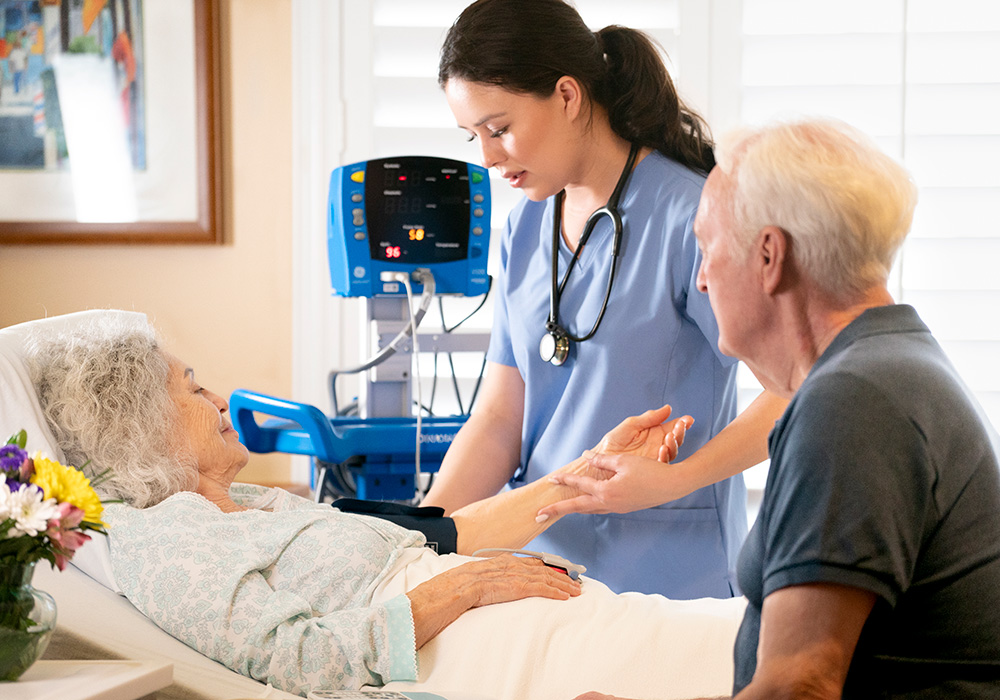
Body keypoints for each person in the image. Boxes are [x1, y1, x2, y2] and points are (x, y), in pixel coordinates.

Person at [24, 313, 746, 699]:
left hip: (539, 620)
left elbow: (450, 530)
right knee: (763, 656)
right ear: (141, 422)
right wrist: (459, 588)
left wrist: (589, 471)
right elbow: (298, 659)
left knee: (751, 640)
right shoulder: (163, 537)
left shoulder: (253, 504)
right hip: (472, 657)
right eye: (191, 388)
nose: (218, 399)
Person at [563, 118, 1000, 700]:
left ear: (771, 255)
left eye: (706, 248)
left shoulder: (854, 403)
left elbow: (801, 687)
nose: (699, 279)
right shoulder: (890, 363)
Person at [424, 0, 787, 598]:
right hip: (540, 572)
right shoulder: (523, 228)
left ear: (567, 95)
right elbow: (498, 421)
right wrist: (424, 534)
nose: (486, 157)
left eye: (499, 128)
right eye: (473, 136)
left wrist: (678, 480)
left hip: (665, 575)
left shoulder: (690, 217)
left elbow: (795, 389)